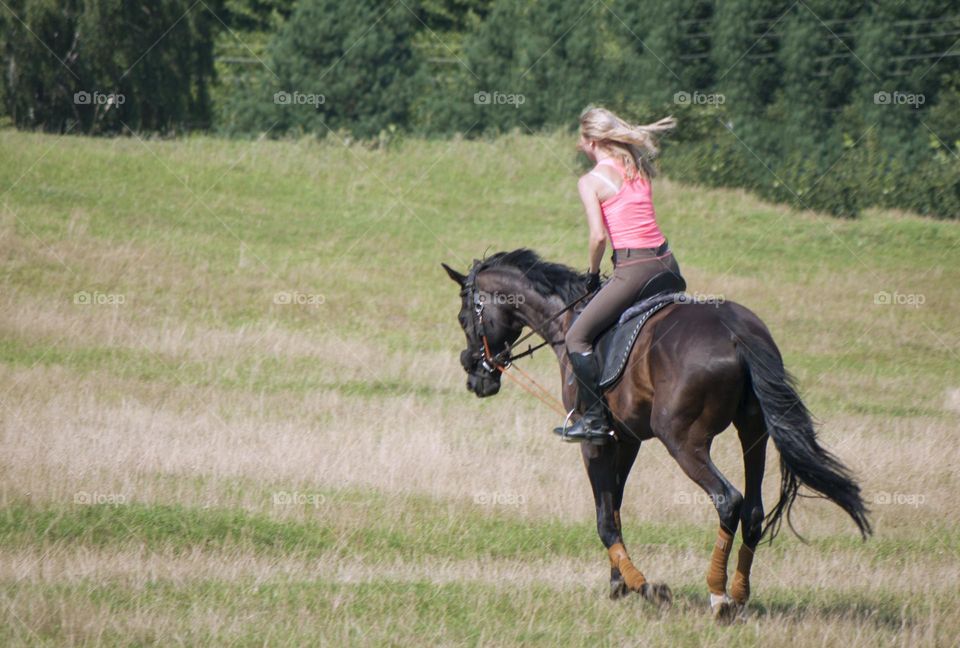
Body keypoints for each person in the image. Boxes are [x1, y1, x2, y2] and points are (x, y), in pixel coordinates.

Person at [555, 106, 682, 443]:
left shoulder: (591, 182)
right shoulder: (638, 167)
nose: (581, 146)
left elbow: (598, 237)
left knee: (577, 338)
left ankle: (595, 418)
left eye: (583, 140)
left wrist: (594, 274)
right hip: (668, 267)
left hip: (634, 271)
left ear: (593, 140)